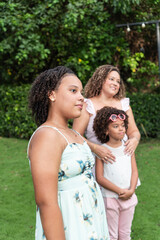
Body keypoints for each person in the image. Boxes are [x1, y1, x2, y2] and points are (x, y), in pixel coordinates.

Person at [27, 66, 110, 240]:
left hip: (91, 222)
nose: (81, 97)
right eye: (73, 90)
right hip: (70, 227)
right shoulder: (48, 135)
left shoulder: (73, 133)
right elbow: (46, 202)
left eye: (81, 92)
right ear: (52, 95)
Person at [73, 65, 140, 164]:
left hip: (123, 159)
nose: (115, 83)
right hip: (98, 160)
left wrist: (134, 140)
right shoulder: (87, 106)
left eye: (118, 81)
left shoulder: (124, 104)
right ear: (100, 80)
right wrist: (95, 148)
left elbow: (134, 131)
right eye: (111, 79)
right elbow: (76, 135)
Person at [93, 106, 139, 240]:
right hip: (110, 199)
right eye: (115, 126)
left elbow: (135, 172)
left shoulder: (128, 147)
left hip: (129, 197)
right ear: (106, 130)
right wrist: (119, 191)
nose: (121, 129)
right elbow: (100, 178)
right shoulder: (102, 151)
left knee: (125, 234)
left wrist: (131, 190)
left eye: (123, 126)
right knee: (111, 235)